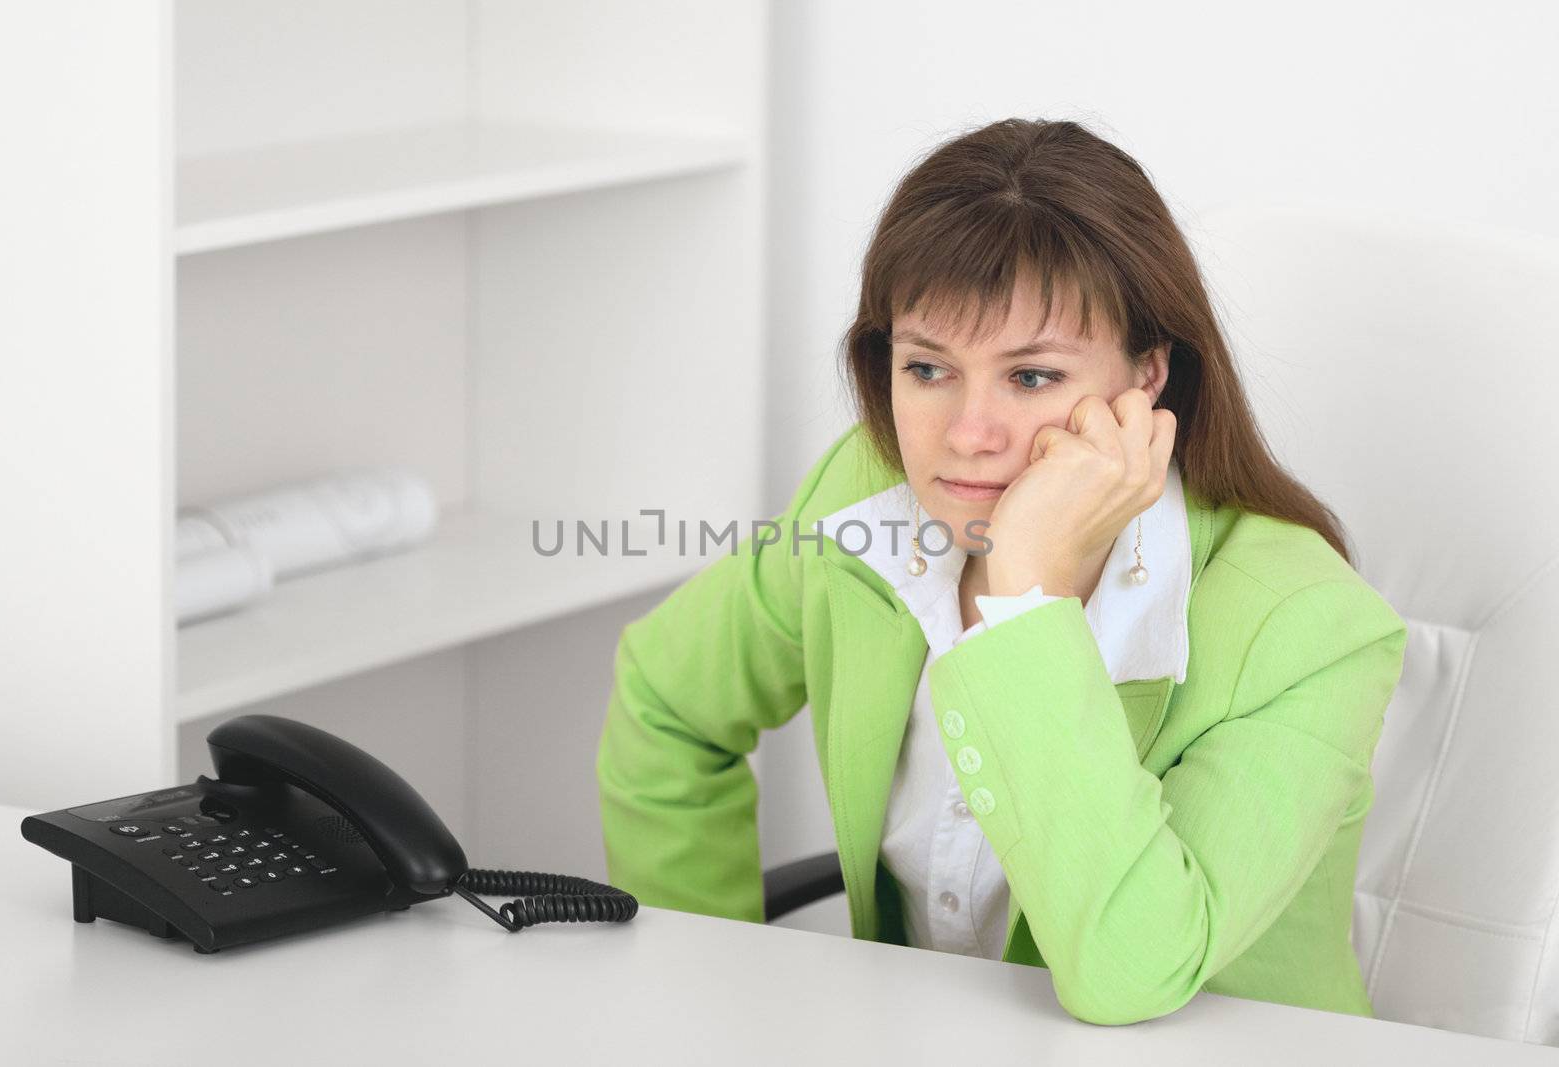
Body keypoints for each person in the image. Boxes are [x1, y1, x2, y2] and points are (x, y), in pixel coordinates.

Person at [594, 117, 1408, 1027]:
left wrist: (1026, 597)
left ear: (1147, 377)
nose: (968, 433)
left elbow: (1131, 971)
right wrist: (706, 990)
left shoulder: (1313, 631)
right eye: (928, 367)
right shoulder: (864, 501)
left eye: (1030, 378)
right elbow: (667, 702)